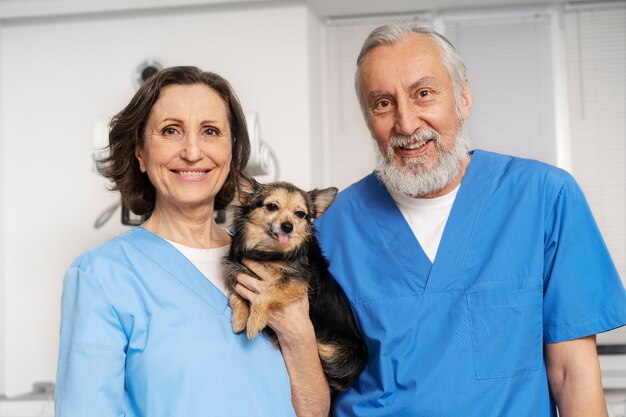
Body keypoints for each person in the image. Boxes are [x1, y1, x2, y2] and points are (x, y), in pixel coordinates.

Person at [315, 23, 626, 416]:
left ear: (463, 98)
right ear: (367, 119)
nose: (407, 124)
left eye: (423, 94)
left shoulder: (544, 198)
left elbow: (572, 375)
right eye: (382, 103)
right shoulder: (330, 228)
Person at [55, 66, 330, 417]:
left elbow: (314, 412)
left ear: (231, 152)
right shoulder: (102, 277)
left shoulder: (277, 270)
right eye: (171, 130)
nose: (192, 151)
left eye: (210, 131)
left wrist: (299, 337)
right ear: (140, 151)